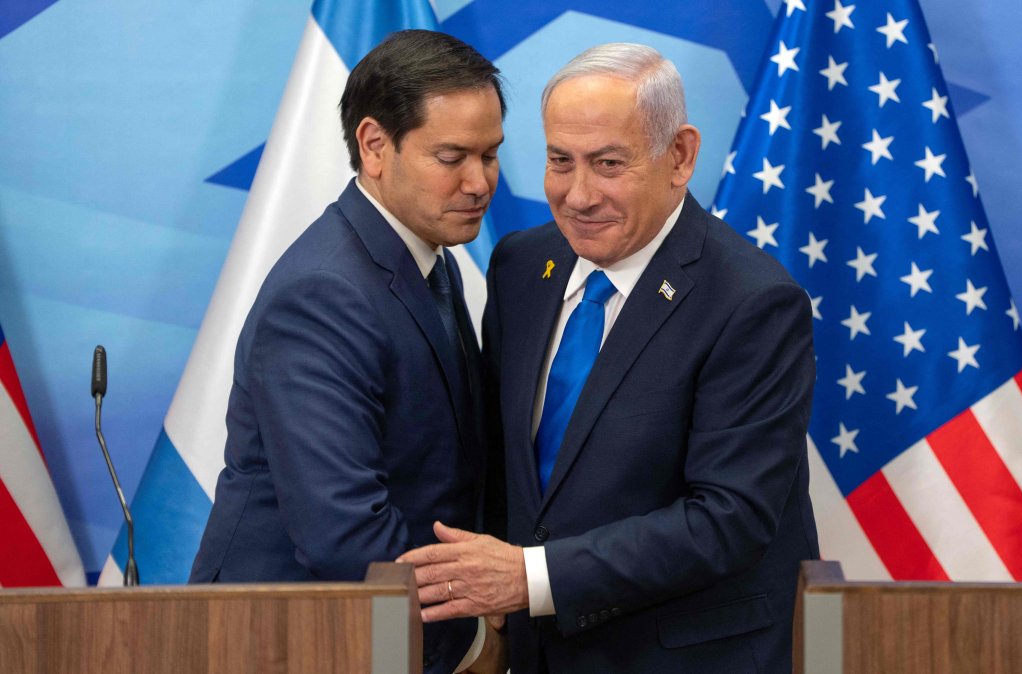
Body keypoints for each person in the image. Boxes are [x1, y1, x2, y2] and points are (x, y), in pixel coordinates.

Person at [401, 43, 819, 673]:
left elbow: (729, 520)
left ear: (678, 156)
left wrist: (530, 577)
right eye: (559, 161)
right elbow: (505, 466)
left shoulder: (753, 304)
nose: (578, 195)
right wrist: (497, 626)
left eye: (608, 163)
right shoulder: (521, 266)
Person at [189, 30, 506, 674]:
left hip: (376, 628)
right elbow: (346, 537)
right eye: (452, 157)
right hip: (290, 639)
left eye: (491, 154)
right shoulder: (325, 292)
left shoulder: (426, 255)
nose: (480, 182)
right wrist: (471, 632)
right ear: (374, 145)